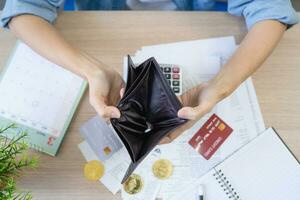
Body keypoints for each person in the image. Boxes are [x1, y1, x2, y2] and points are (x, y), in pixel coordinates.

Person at [1, 0, 298, 144]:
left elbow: (271, 13)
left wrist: (220, 86)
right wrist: (91, 70)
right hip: (105, 30)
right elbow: (23, 11)